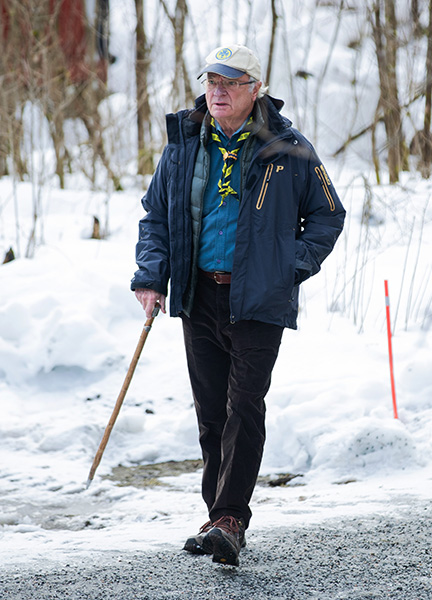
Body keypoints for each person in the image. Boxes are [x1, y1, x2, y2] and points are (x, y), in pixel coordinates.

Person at [130, 44, 345, 566]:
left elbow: (328, 215)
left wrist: (285, 267)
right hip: (198, 292)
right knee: (210, 413)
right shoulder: (185, 144)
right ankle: (218, 518)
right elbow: (157, 216)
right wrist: (151, 275)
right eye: (212, 81)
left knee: (244, 406)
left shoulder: (289, 147)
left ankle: (230, 518)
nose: (219, 91)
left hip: (257, 299)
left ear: (257, 89)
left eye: (232, 82)